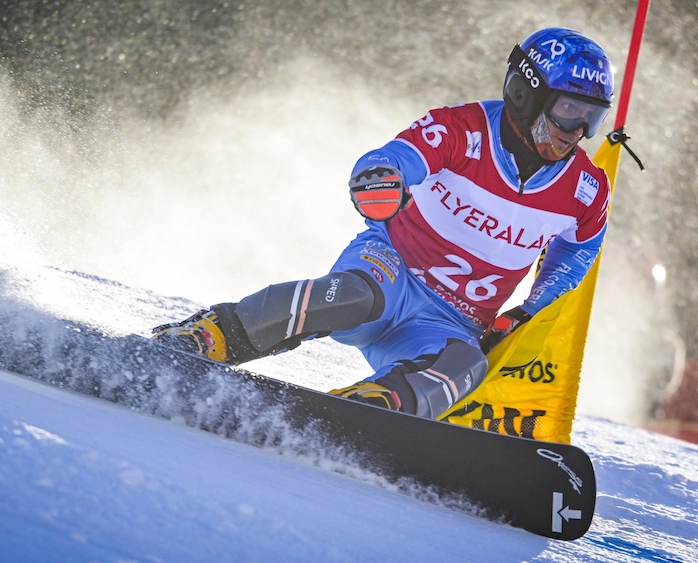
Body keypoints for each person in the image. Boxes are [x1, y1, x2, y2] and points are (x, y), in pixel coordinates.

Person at [153, 27, 614, 421]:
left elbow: (577, 253)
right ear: (524, 92)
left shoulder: (586, 189)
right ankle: (214, 334)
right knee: (352, 297)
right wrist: (381, 178)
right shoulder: (462, 128)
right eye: (569, 110)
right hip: (391, 268)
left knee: (466, 364)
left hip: (452, 320)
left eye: (591, 118)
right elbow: (395, 158)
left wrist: (530, 309)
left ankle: (375, 410)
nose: (577, 131)